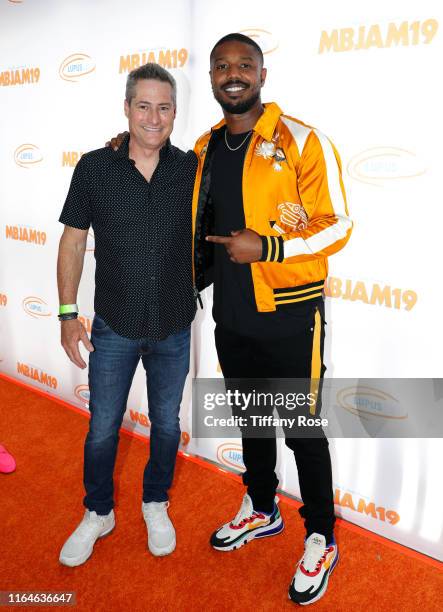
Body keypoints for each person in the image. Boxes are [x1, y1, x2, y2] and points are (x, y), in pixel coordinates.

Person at [191, 33, 352, 605]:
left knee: (303, 431)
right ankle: (261, 508)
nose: (233, 75)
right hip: (232, 316)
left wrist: (270, 248)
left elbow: (338, 224)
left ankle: (322, 537)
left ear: (262, 74)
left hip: (290, 315)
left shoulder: (302, 141)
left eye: (244, 65)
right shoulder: (204, 146)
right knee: (252, 421)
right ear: (211, 77)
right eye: (222, 66)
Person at [57, 63, 197, 566]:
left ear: (175, 113)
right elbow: (73, 239)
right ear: (126, 108)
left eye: (163, 107)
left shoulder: (191, 170)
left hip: (174, 326)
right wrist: (67, 313)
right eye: (144, 106)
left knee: (164, 425)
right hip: (113, 326)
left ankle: (155, 502)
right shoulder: (95, 167)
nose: (153, 118)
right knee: (102, 427)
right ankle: (99, 512)